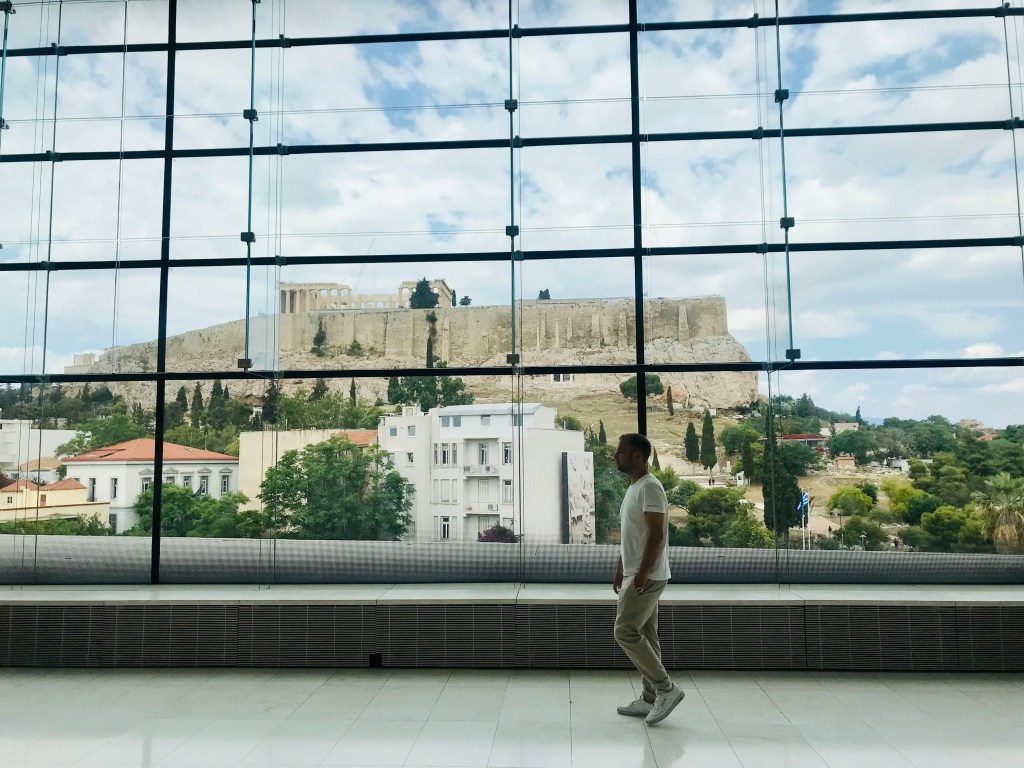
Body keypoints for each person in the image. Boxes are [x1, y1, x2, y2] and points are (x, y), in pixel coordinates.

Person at [612, 433, 685, 725]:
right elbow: (633, 535)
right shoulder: (635, 488)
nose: (616, 456)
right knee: (648, 636)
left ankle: (666, 688)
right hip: (638, 572)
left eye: (620, 452)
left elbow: (657, 534)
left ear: (637, 457)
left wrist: (640, 574)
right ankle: (650, 697)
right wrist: (621, 566)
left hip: (648, 575)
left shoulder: (651, 488)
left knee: (625, 631)